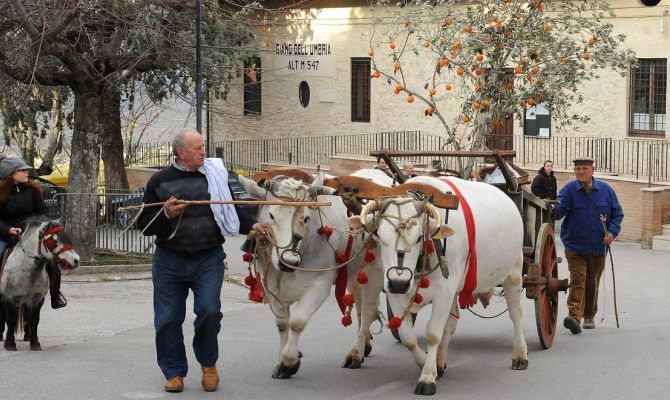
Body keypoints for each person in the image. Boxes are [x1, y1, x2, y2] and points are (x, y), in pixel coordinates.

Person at [138, 129, 255, 393]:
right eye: (198, 147)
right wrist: (166, 214)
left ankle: (208, 364)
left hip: (208, 259)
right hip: (169, 261)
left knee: (209, 311)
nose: (204, 151)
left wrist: (255, 225)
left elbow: (233, 209)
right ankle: (174, 372)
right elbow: (145, 225)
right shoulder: (160, 180)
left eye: (204, 146)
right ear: (181, 152)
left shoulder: (216, 176)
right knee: (167, 319)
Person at [554, 157, 624, 334]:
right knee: (578, 280)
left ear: (593, 169)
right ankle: (574, 317)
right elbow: (559, 210)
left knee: (592, 282)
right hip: (575, 246)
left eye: (584, 168)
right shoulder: (569, 190)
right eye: (577, 169)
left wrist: (611, 233)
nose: (581, 172)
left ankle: (589, 316)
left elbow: (617, 214)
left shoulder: (606, 190)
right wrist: (553, 207)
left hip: (598, 247)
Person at [0, 155, 67, 310]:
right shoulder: (1, 193)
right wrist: (8, 229)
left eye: (26, 170)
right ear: (11, 174)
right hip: (7, 235)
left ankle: (55, 295)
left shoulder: (34, 190)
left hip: (32, 236)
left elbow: (43, 212)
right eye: (22, 170)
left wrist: (39, 227)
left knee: (53, 259)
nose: (26, 172)